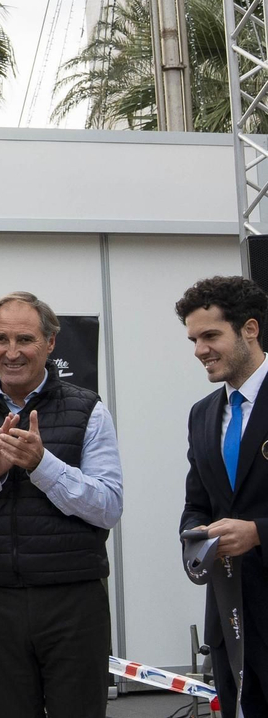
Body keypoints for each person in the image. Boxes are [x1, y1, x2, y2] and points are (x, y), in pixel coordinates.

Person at [0, 291, 123, 718]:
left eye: (25, 340)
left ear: (50, 343)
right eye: (1, 339)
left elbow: (109, 505)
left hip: (73, 600)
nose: (11, 352)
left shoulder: (88, 409)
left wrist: (43, 465)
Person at [176, 275, 268, 717]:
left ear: (249, 329)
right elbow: (198, 502)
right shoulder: (204, 413)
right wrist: (193, 538)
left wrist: (258, 533)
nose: (199, 349)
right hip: (229, 614)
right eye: (194, 338)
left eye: (211, 335)